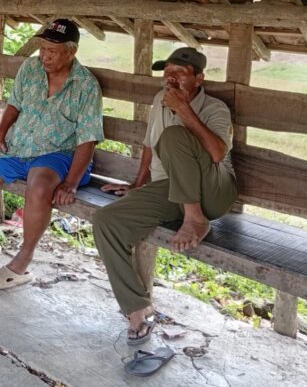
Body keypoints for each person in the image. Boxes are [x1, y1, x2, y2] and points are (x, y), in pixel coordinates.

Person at [93, 47, 237, 345]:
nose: (170, 77)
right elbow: (149, 144)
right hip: (172, 188)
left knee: (173, 136)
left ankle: (195, 220)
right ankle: (137, 308)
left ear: (198, 79)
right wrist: (137, 183)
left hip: (213, 193)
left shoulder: (215, 108)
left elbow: (217, 153)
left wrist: (184, 110)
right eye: (167, 71)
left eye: (179, 73)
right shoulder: (160, 99)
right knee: (106, 220)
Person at [0, 19, 104, 289]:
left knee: (38, 188)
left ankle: (23, 260)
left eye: (52, 51)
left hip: (58, 153)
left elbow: (88, 139)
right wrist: (0, 133)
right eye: (43, 48)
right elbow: (14, 104)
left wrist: (71, 183)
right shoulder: (31, 68)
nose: (44, 56)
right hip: (21, 147)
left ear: (71, 52)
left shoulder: (86, 86)